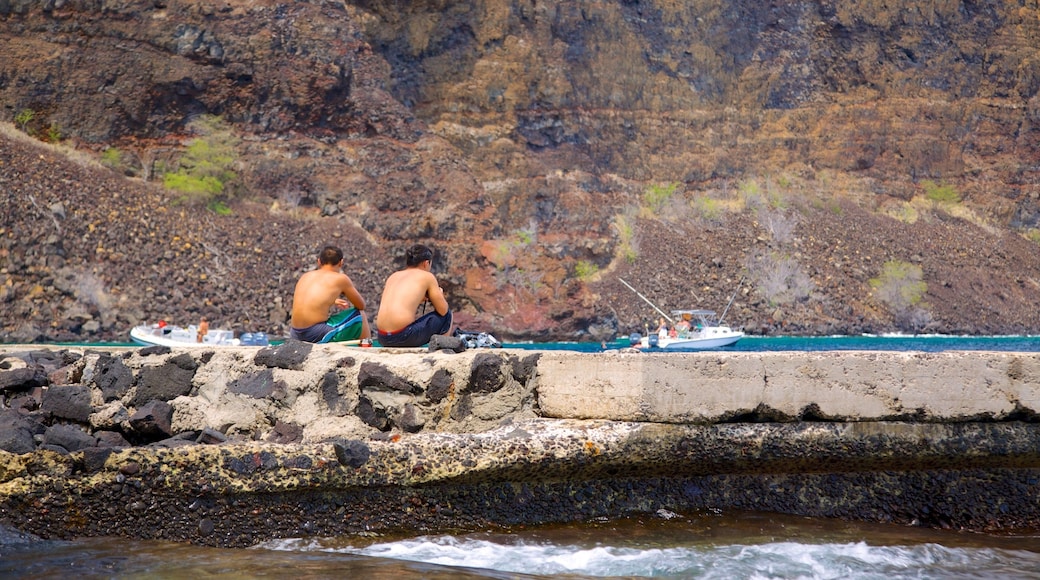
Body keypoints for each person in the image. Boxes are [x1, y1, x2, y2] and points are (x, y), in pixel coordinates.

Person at [375, 244, 452, 347]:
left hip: (382, 337)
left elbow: (401, 301)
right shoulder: (427, 276)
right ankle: (442, 351)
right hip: (404, 336)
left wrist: (421, 298)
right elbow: (443, 310)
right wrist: (439, 296)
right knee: (447, 315)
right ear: (426, 263)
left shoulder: (393, 276)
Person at [289, 245, 371, 343]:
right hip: (314, 334)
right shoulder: (341, 279)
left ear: (319, 261)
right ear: (341, 263)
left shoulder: (305, 276)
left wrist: (333, 300)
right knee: (360, 316)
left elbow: (310, 299)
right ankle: (367, 349)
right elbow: (361, 305)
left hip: (295, 334)